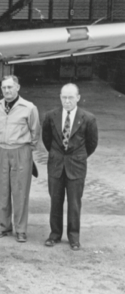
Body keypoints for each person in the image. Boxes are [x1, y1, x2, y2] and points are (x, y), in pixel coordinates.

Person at [42, 83, 98, 251]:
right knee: (55, 201)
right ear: (60, 97)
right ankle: (55, 235)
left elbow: (91, 144)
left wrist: (77, 157)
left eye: (70, 97)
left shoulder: (88, 118)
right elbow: (47, 140)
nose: (67, 101)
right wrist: (58, 155)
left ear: (78, 98)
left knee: (74, 203)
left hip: (76, 167)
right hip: (56, 165)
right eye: (64, 97)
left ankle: (74, 237)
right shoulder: (51, 116)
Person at [0, 75, 40, 243]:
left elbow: (35, 133)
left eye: (10, 87)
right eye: (4, 87)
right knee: (2, 190)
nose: (7, 90)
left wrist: (26, 150)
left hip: (21, 151)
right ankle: (3, 226)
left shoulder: (29, 107)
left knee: (20, 191)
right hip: (2, 151)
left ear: (18, 87)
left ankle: (20, 229)